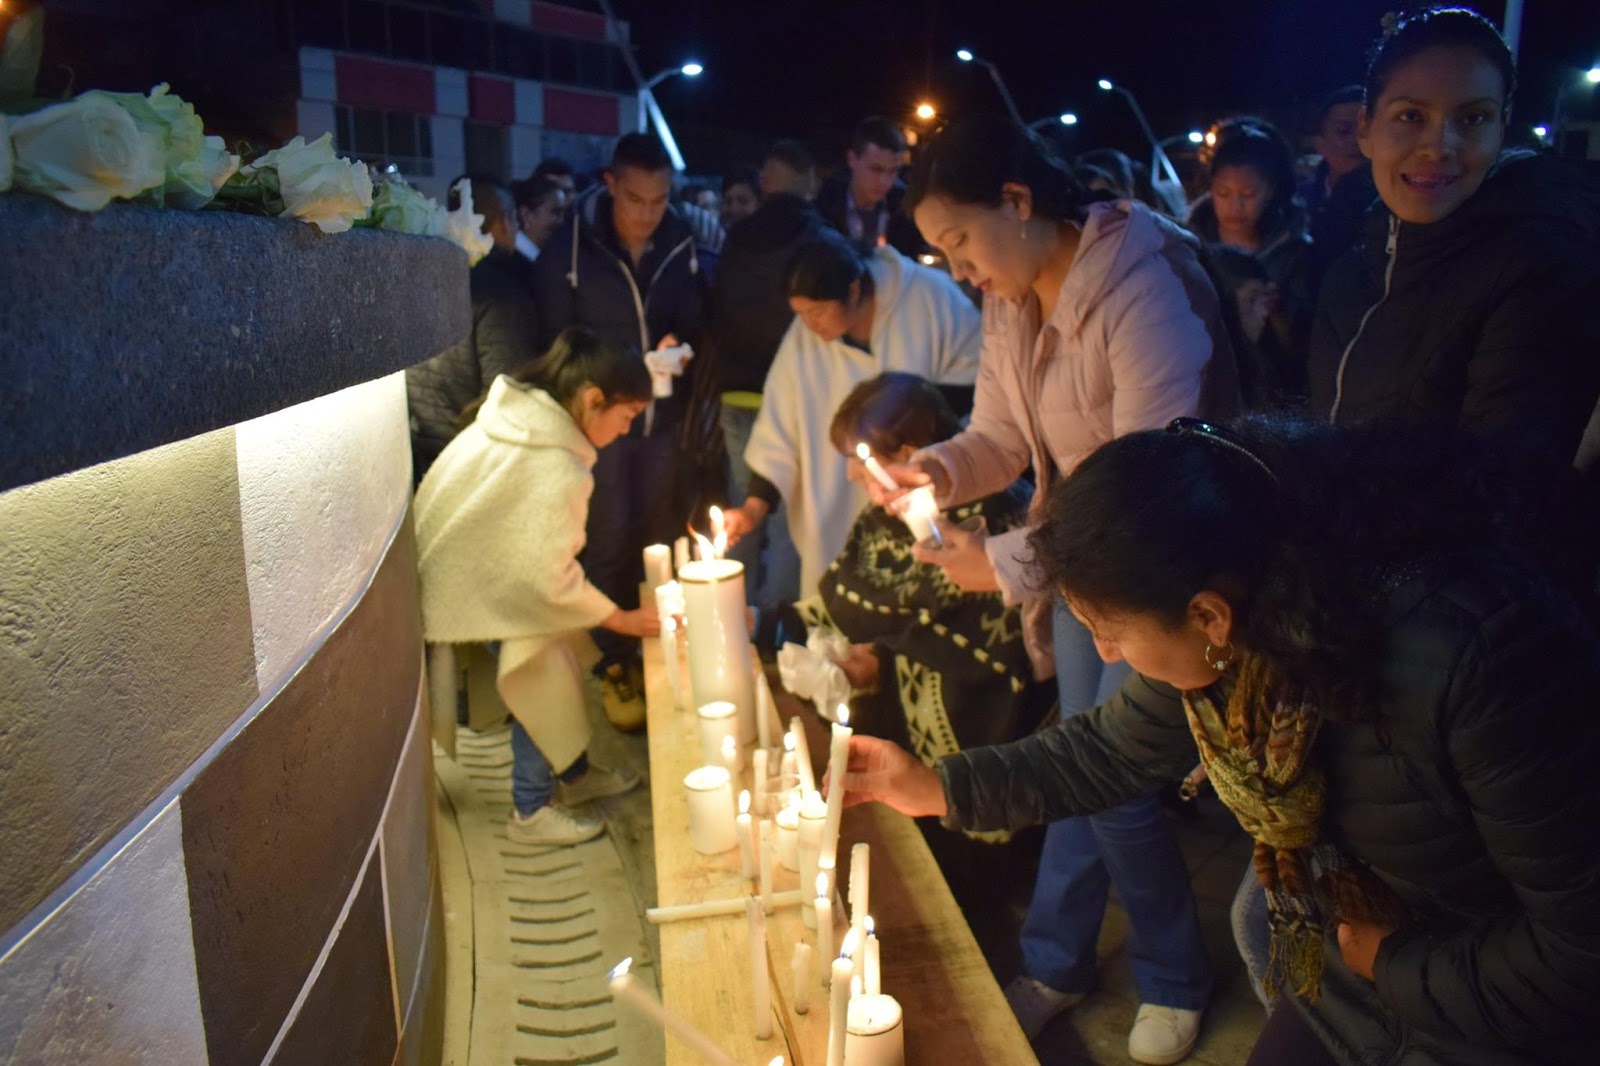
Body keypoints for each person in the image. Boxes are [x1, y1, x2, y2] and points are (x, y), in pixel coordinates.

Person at [839, 415, 1600, 1066]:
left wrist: (1391, 964)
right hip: (1354, 973)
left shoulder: (1472, 664)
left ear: (1208, 615)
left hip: (1491, 1007)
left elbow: (1579, 949)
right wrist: (934, 786)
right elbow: (1108, 749)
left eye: (1109, 632)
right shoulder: (1245, 631)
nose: (1105, 653)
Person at [889, 115, 1240, 1063]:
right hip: (1084, 567)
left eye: (961, 241)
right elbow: (1000, 437)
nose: (959, 270)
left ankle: (1169, 975)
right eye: (941, 252)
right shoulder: (1012, 302)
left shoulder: (1143, 285)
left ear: (1017, 201)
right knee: (1082, 760)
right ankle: (1058, 958)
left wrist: (1005, 562)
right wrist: (936, 472)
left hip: (1165, 566)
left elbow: (1154, 479)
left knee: (1114, 779)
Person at [1309, 6, 1600, 477]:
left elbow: (1507, 488)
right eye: (1411, 115)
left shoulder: (1539, 267)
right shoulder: (1352, 272)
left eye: (1472, 119)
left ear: (1501, 128)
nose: (1439, 146)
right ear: (1366, 128)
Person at [414, 327, 659, 846]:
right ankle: (531, 809)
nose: (626, 431)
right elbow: (547, 581)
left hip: (458, 571)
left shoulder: (523, 418)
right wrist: (621, 619)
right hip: (470, 584)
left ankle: (573, 775)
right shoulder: (556, 464)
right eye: (627, 416)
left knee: (565, 653)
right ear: (593, 400)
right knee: (538, 673)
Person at [530, 133, 713, 730]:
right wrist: (625, 368)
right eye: (636, 199)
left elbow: (696, 318)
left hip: (661, 420)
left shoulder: (680, 239)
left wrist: (679, 345)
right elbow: (558, 344)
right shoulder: (572, 248)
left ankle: (658, 642)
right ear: (610, 184)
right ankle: (613, 659)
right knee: (606, 536)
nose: (648, 214)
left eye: (660, 200)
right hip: (600, 425)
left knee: (657, 531)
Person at [793, 372, 1049, 759]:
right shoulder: (887, 513)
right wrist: (763, 621)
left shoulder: (1000, 521)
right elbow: (842, 597)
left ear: (909, 454)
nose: (850, 473)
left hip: (980, 738)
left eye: (858, 458)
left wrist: (882, 664)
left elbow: (999, 652)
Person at [725, 233, 981, 597]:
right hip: (834, 501)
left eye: (817, 312)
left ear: (854, 289)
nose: (809, 325)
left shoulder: (928, 298)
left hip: (924, 490)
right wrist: (753, 508)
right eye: (800, 314)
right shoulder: (804, 338)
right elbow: (780, 427)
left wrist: (909, 440)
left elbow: (976, 383)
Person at [705, 140, 830, 624]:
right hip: (797, 400)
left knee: (745, 503)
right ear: (809, 183)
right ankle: (775, 624)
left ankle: (730, 612)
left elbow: (716, 308)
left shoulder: (736, 238)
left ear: (765, 182)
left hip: (737, 391)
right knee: (786, 517)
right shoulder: (819, 239)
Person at [406, 176, 539, 483]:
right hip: (476, 463)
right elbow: (505, 393)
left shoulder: (425, 279)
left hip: (424, 454)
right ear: (504, 222)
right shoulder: (503, 291)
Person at [1186, 119, 1313, 400]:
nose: (1235, 206)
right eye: (1223, 193)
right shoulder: (1189, 249)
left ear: (1271, 191)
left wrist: (1278, 314)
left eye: (1248, 194)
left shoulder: (1295, 254)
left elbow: (1305, 344)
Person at [1301, 86, 1380, 292]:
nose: (1357, 140)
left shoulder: (1392, 203)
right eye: (1344, 131)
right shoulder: (1298, 202)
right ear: (1320, 144)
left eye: (1366, 131)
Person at [815, 116, 928, 257]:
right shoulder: (823, 206)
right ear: (852, 159)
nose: (885, 181)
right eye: (876, 169)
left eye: (893, 171)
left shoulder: (907, 209)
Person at [511, 174, 569, 265]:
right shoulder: (509, 263)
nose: (561, 220)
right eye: (555, 212)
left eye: (564, 213)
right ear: (527, 215)